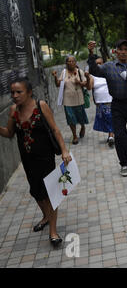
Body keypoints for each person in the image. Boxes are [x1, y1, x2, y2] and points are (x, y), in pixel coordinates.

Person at [0, 78, 72, 246]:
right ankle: (46, 216)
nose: (15, 96)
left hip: (45, 157)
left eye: (19, 92)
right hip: (27, 159)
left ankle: (53, 231)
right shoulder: (13, 110)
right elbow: (9, 133)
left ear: (29, 92)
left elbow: (55, 129)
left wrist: (64, 151)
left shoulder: (41, 106)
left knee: (50, 193)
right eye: (12, 93)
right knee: (36, 192)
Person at [87, 39, 127, 177]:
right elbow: (94, 71)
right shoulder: (109, 66)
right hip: (117, 105)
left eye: (126, 49)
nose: (123, 52)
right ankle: (124, 164)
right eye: (120, 49)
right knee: (120, 136)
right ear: (115, 51)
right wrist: (91, 54)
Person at [52, 55, 89, 145]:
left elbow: (85, 83)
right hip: (67, 100)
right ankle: (75, 136)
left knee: (80, 116)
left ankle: (83, 126)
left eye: (73, 61)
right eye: (69, 61)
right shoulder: (64, 72)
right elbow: (58, 84)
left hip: (79, 99)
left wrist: (79, 82)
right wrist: (55, 77)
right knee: (70, 118)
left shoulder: (80, 72)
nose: (71, 63)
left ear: (75, 63)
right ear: (66, 63)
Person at [86, 56, 115, 147]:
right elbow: (89, 87)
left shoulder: (108, 73)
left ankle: (111, 136)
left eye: (100, 63)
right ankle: (111, 134)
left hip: (110, 100)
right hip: (99, 102)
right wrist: (87, 78)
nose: (99, 65)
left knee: (110, 118)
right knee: (105, 120)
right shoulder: (92, 76)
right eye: (97, 64)